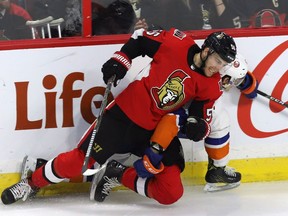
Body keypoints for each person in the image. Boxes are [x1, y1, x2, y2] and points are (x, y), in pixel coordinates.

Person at [1, 28, 239, 205]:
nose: (218, 67)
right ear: (206, 50)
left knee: (171, 193)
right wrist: (121, 60)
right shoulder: (176, 43)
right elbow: (139, 41)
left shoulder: (212, 84)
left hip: (156, 130)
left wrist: (198, 125)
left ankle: (116, 174)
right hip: (125, 114)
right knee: (77, 161)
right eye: (217, 61)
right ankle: (32, 183)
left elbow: (199, 113)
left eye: (223, 64)